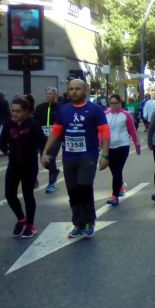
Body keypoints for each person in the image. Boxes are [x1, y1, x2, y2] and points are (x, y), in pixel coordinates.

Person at [41, 79, 110, 238]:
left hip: (88, 156)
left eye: (78, 89)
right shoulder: (64, 110)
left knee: (84, 188)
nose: (74, 92)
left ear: (85, 90)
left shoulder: (95, 109)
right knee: (72, 191)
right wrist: (45, 151)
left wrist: (105, 155)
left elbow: (105, 133)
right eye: (71, 89)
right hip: (69, 156)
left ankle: (88, 221)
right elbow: (56, 132)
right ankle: (78, 223)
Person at [0, 97, 47, 238]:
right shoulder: (8, 124)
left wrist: (44, 155)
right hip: (13, 165)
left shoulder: (33, 124)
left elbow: (43, 142)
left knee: (27, 195)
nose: (14, 114)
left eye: (18, 111)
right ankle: (21, 219)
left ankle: (30, 225)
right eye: (12, 111)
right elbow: (1, 142)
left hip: (29, 166)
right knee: (9, 195)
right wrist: (7, 151)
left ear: (26, 111)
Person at [105, 94, 140, 206]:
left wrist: (137, 144)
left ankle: (114, 196)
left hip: (123, 146)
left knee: (117, 170)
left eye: (116, 103)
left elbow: (132, 131)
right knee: (114, 170)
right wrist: (99, 143)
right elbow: (101, 131)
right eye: (111, 103)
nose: (114, 105)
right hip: (109, 147)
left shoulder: (126, 115)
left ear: (120, 103)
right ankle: (121, 186)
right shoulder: (105, 115)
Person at [34, 87, 61, 193]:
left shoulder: (59, 108)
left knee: (50, 159)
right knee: (44, 162)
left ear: (55, 95)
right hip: (43, 138)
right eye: (47, 93)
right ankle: (55, 171)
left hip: (55, 139)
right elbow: (35, 122)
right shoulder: (40, 107)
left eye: (51, 93)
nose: (48, 95)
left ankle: (50, 184)